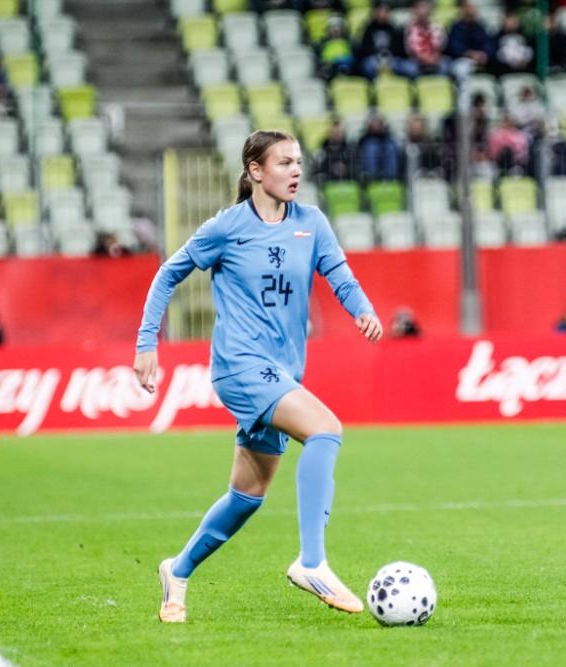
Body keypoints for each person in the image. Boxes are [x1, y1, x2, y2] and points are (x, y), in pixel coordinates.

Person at [134, 130, 383, 623]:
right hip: (240, 366)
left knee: (246, 497)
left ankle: (176, 571)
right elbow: (167, 274)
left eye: (298, 162)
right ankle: (311, 562)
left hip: (282, 370)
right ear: (255, 171)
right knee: (326, 429)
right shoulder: (226, 227)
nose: (296, 170)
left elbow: (340, 275)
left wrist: (363, 309)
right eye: (284, 162)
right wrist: (146, 344)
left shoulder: (311, 223)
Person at [357, 2, 411, 79]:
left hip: (392, 59)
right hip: (374, 58)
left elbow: (400, 50)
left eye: (385, 12)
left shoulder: (394, 29)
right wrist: (378, 56)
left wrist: (389, 56)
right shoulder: (369, 29)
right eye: (380, 12)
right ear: (375, 13)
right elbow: (364, 49)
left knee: (409, 67)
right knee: (368, 65)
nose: (382, 15)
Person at [446, 1, 492, 81]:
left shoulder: (480, 27)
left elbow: (487, 43)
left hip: (479, 59)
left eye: (473, 8)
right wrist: (470, 54)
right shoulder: (456, 27)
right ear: (463, 9)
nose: (472, 10)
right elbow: (455, 47)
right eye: (470, 7)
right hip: (460, 60)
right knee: (461, 69)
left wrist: (484, 54)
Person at [404, 0, 450, 77]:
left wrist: (434, 57)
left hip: (435, 59)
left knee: (447, 65)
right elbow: (410, 48)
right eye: (419, 8)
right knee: (409, 68)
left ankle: (438, 82)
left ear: (429, 10)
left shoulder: (438, 26)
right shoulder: (410, 27)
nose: (422, 11)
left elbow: (442, 46)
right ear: (415, 11)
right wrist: (424, 58)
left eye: (424, 7)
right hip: (417, 60)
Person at [357, 114, 402, 180]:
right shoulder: (364, 140)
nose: (376, 126)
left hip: (387, 168)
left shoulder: (389, 140)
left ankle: (390, 178)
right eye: (374, 123)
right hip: (369, 172)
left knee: (390, 147)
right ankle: (371, 177)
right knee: (371, 148)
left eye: (378, 123)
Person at [316, 15, 356, 79]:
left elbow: (351, 58)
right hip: (328, 64)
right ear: (328, 30)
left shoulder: (349, 42)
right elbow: (321, 57)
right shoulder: (323, 43)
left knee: (344, 66)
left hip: (344, 65)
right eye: (332, 28)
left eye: (339, 27)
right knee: (326, 67)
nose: (336, 30)